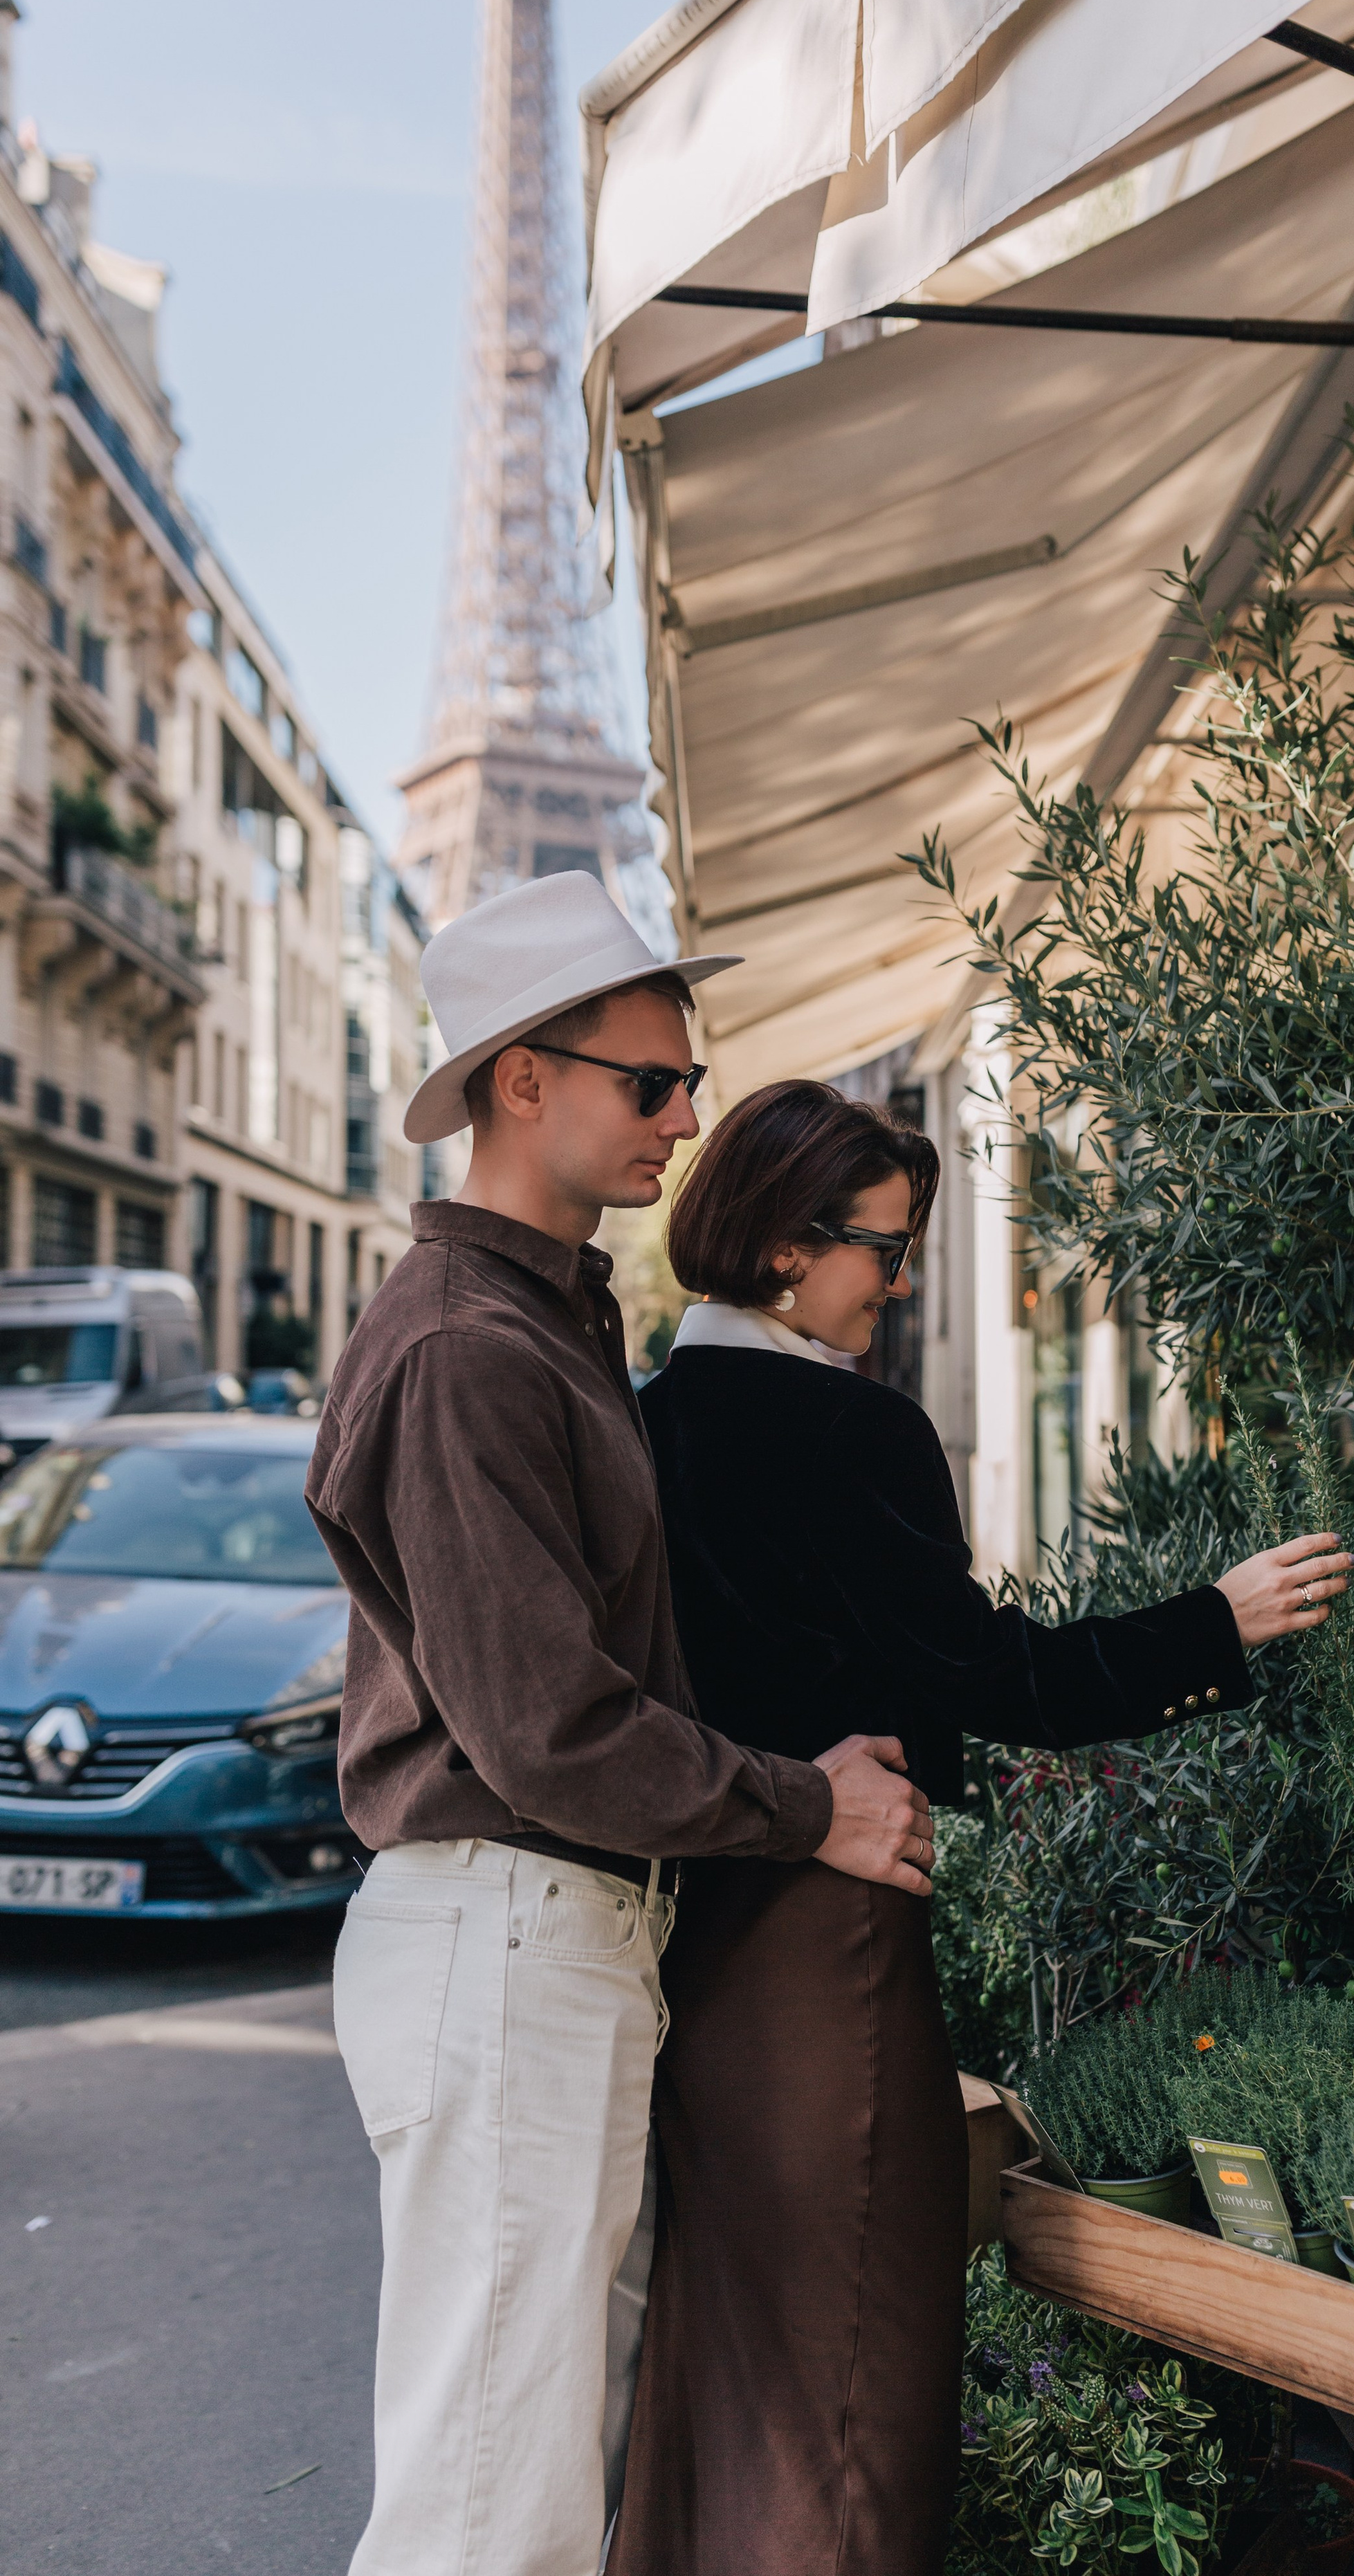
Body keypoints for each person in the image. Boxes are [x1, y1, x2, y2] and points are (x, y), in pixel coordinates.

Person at [609, 1079, 1354, 2576]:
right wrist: (1217, 1622)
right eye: (883, 1253)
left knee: (729, 2342)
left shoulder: (644, 1418)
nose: (895, 1284)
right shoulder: (847, 1430)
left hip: (691, 1929)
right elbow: (994, 1680)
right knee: (858, 2350)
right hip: (827, 1936)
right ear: (780, 1249)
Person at [306, 880, 934, 2576]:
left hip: (552, 1934)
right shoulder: (466, 1348)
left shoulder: (549, 1320)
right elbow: (550, 1726)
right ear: (522, 1081)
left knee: (542, 2463)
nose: (685, 1116)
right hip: (507, 1925)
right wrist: (805, 1808)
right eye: (650, 1082)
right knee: (486, 2506)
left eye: (686, 1081)